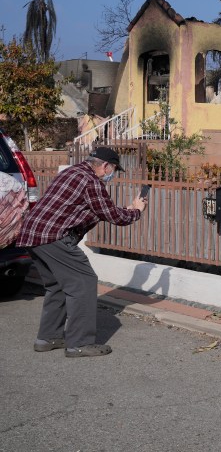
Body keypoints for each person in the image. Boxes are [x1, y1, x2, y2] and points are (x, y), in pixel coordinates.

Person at [16, 147, 146, 358]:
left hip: (33, 234)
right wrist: (136, 211)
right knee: (84, 281)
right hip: (54, 237)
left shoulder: (72, 171)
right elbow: (113, 216)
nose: (111, 174)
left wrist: (129, 208)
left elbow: (96, 209)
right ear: (105, 166)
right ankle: (80, 343)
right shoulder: (91, 182)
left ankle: (47, 338)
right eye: (113, 169)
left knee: (57, 285)